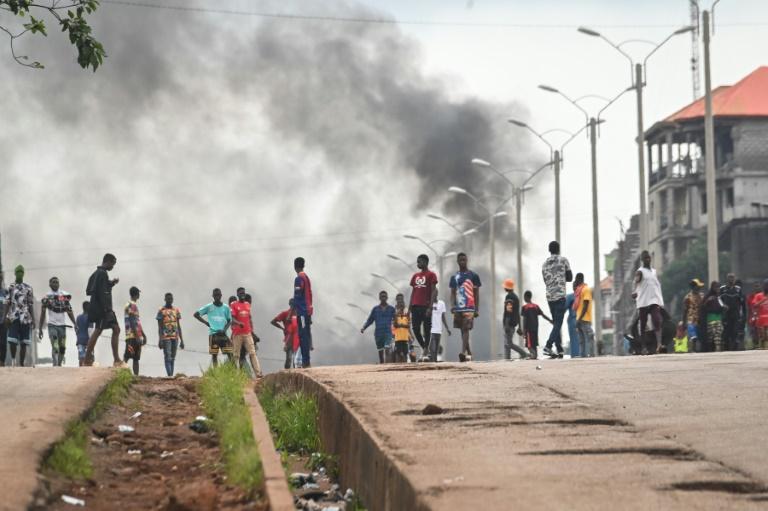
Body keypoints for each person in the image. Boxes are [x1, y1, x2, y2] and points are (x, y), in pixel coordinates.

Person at [84, 253, 123, 367]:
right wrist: (107, 310)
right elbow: (102, 293)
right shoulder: (102, 274)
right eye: (113, 264)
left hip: (100, 308)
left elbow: (90, 290)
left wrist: (111, 283)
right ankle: (115, 360)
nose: (113, 267)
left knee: (106, 330)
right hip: (103, 309)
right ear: (108, 261)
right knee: (110, 330)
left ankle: (88, 360)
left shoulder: (96, 273)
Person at [541, 241, 572, 358]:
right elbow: (570, 278)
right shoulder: (563, 260)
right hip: (560, 296)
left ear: (549, 250)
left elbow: (545, 281)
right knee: (558, 323)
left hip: (549, 297)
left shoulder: (544, 264)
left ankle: (559, 349)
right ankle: (548, 346)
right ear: (558, 249)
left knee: (556, 323)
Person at [449, 253, 481, 362]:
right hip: (458, 307)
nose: (462, 261)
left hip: (469, 307)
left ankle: (463, 353)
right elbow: (452, 293)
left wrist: (477, 309)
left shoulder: (473, 276)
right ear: (457, 262)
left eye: (464, 259)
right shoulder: (454, 277)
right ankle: (470, 353)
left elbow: (476, 293)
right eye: (460, 260)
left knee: (466, 329)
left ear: (467, 260)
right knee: (462, 331)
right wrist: (452, 305)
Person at [39, 276, 78, 367]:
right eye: (53, 282)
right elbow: (43, 313)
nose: (55, 284)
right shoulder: (47, 297)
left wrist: (75, 323)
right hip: (52, 325)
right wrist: (40, 328)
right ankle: (55, 364)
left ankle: (59, 365)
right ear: (50, 284)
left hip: (62, 326)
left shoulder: (63, 296)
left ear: (59, 284)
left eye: (57, 282)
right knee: (55, 346)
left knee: (62, 348)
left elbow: (69, 311)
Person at [633, 250, 664, 354]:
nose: (647, 259)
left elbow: (656, 285)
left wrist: (659, 301)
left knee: (657, 320)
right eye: (645, 258)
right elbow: (636, 283)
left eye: (649, 257)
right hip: (643, 301)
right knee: (643, 324)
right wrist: (634, 292)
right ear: (642, 260)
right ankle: (643, 347)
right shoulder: (640, 271)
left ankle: (659, 344)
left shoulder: (654, 271)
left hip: (654, 300)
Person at [409, 254, 438, 359]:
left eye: (419, 262)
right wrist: (409, 308)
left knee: (427, 329)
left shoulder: (431, 275)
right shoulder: (415, 276)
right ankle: (425, 348)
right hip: (415, 306)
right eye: (417, 262)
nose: (418, 264)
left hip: (425, 306)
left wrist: (430, 307)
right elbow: (413, 292)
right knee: (415, 329)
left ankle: (426, 350)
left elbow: (433, 291)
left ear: (425, 262)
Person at [5, 265, 35, 366]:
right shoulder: (11, 287)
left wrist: (34, 320)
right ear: (15, 273)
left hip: (25, 318)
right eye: (18, 272)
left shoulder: (29, 288)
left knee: (24, 343)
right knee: (12, 341)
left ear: (23, 273)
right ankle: (13, 359)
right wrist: (5, 317)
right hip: (13, 317)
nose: (20, 274)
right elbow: (7, 302)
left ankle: (21, 364)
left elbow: (30, 305)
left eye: (21, 272)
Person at [194, 288, 233, 366]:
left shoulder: (226, 307)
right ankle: (215, 374)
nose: (217, 297)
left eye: (218, 295)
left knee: (230, 354)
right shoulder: (209, 306)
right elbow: (196, 314)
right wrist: (206, 323)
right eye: (215, 295)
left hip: (223, 335)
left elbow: (229, 320)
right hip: (213, 334)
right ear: (213, 296)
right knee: (214, 355)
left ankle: (234, 373)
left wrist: (224, 330)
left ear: (221, 295)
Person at [230, 287, 261, 377]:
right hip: (237, 333)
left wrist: (252, 331)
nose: (242, 295)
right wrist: (239, 323)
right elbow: (232, 318)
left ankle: (258, 373)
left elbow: (249, 317)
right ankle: (237, 374)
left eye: (243, 293)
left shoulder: (247, 304)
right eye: (240, 293)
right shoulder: (234, 305)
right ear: (238, 295)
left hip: (247, 333)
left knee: (252, 353)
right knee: (236, 355)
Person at [361, 291, 395, 364]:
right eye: (382, 296)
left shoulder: (391, 309)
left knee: (387, 347)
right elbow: (370, 320)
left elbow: (396, 320)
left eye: (385, 296)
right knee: (380, 350)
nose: (383, 298)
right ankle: (382, 363)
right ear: (379, 298)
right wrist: (364, 327)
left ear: (387, 298)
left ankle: (387, 364)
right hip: (378, 333)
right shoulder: (375, 309)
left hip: (387, 332)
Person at [156, 292, 184, 377]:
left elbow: (178, 325)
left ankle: (171, 375)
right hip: (166, 336)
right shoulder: (161, 310)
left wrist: (182, 340)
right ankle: (170, 375)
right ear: (165, 299)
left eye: (171, 298)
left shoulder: (176, 310)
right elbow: (160, 327)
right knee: (167, 356)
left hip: (175, 336)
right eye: (168, 298)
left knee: (173, 357)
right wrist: (160, 339)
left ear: (172, 299)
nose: (169, 300)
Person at [519, 290, 552, 360]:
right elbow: (543, 315)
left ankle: (533, 356)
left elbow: (524, 319)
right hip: (535, 329)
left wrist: (524, 330)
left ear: (526, 297)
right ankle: (535, 356)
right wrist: (550, 320)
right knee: (534, 344)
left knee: (529, 345)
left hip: (528, 329)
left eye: (524, 297)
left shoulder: (525, 307)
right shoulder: (536, 306)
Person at [293, 257, 313, 368]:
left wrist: (293, 311)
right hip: (307, 311)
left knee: (303, 336)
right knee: (305, 336)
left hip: (302, 312)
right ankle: (306, 361)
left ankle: (306, 362)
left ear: (294, 266)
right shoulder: (306, 277)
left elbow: (297, 296)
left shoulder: (299, 278)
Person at [502, 279, 528, 360]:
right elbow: (517, 313)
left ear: (507, 287)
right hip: (513, 323)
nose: (504, 288)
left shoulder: (509, 296)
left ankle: (523, 354)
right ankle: (508, 358)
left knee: (508, 344)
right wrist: (519, 326)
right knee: (507, 343)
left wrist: (506, 324)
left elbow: (508, 311)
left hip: (509, 323)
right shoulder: (516, 297)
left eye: (505, 286)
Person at [123, 286, 146, 376]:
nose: (139, 295)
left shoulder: (133, 305)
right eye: (138, 293)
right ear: (136, 294)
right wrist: (137, 336)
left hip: (136, 335)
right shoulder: (130, 305)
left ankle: (136, 377)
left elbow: (137, 322)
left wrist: (143, 335)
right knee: (127, 356)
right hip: (132, 336)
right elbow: (132, 321)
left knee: (136, 358)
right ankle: (120, 374)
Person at [719, 274, 746, 351]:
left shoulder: (738, 289)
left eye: (733, 278)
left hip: (736, 313)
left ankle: (735, 348)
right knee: (727, 330)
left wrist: (742, 314)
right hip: (726, 314)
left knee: (735, 330)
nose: (731, 279)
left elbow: (741, 301)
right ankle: (726, 347)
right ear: (727, 279)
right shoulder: (722, 288)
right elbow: (719, 299)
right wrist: (723, 305)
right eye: (730, 278)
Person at [572, 273, 596, 358]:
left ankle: (591, 354)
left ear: (579, 279)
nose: (575, 281)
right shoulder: (579, 291)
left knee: (589, 336)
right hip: (581, 318)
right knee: (583, 339)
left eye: (576, 279)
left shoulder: (586, 289)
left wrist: (579, 318)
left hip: (583, 318)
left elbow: (585, 305)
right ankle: (583, 355)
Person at [271, 299, 299, 369]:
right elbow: (273, 321)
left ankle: (294, 376)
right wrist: (282, 328)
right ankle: (287, 374)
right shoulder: (285, 313)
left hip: (297, 338)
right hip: (289, 338)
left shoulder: (299, 314)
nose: (293, 306)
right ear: (290, 304)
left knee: (296, 360)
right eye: (292, 304)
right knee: (289, 359)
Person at [429, 288, 451, 362]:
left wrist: (447, 328)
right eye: (432, 293)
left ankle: (434, 362)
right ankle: (433, 361)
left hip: (439, 329)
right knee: (433, 346)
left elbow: (443, 317)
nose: (434, 294)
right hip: (431, 329)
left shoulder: (441, 303)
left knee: (436, 348)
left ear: (437, 294)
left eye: (435, 293)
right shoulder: (428, 304)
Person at [682, 279, 704, 353]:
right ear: (693, 287)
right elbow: (685, 311)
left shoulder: (702, 296)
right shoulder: (687, 297)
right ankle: (692, 350)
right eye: (698, 287)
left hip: (700, 320)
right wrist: (684, 322)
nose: (699, 289)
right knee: (693, 336)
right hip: (691, 320)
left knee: (700, 337)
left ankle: (698, 350)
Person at [702, 281, 725, 352]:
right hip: (710, 319)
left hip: (718, 318)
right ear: (712, 288)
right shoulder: (708, 296)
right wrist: (707, 301)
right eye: (716, 287)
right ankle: (711, 349)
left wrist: (725, 307)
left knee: (718, 334)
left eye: (718, 287)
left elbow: (722, 306)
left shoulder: (719, 297)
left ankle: (717, 349)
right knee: (711, 336)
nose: (717, 289)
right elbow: (703, 307)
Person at [392, 293, 411, 363]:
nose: (400, 301)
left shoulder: (407, 311)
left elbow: (408, 325)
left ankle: (405, 369)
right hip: (396, 336)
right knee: (397, 353)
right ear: (396, 300)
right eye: (399, 299)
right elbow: (394, 324)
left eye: (401, 299)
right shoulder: (394, 310)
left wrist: (410, 336)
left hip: (405, 337)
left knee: (406, 354)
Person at [750, 279, 768, 350]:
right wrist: (763, 300)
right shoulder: (758, 295)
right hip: (761, 319)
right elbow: (754, 305)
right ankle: (762, 348)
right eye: (766, 285)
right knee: (763, 336)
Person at [75, 301, 92, 366]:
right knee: (90, 359)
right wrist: (90, 341)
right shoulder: (90, 317)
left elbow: (76, 329)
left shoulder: (78, 317)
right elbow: (90, 330)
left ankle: (81, 371)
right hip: (88, 341)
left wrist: (79, 336)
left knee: (81, 358)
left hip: (80, 341)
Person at [565, 287, 580, 358]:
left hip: (573, 319)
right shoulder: (584, 295)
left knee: (574, 339)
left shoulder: (570, 297)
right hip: (583, 320)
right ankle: (582, 354)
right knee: (582, 339)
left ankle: (575, 355)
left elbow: (564, 308)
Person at [747, 282, 762, 349]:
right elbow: (749, 308)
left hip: (761, 316)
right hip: (752, 316)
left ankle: (761, 344)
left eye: (758, 286)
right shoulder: (750, 297)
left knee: (761, 331)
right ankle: (755, 345)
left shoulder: (763, 295)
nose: (757, 288)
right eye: (755, 286)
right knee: (753, 331)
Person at [0, 271, 7, 366]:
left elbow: (9, 306)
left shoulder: (5, 292)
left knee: (3, 343)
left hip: (3, 321)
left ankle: (2, 362)